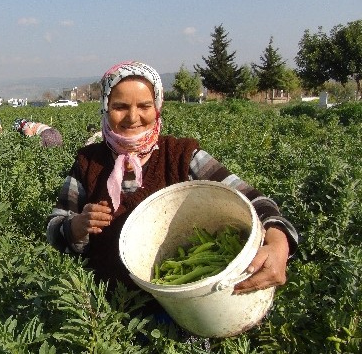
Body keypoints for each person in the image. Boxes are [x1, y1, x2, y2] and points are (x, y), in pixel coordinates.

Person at [46, 61, 299, 298]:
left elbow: (254, 200)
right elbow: (55, 228)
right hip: (108, 310)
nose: (133, 117)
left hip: (185, 304)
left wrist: (279, 242)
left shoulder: (183, 156)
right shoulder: (88, 163)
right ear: (105, 107)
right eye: (120, 106)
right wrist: (76, 226)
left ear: (157, 107)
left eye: (144, 106)